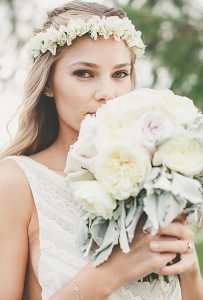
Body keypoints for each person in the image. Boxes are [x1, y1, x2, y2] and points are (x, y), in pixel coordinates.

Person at [0, 1, 202, 299]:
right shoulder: (15, 182)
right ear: (48, 84)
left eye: (120, 74)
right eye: (84, 73)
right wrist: (112, 273)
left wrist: (190, 272)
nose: (107, 93)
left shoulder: (157, 178)